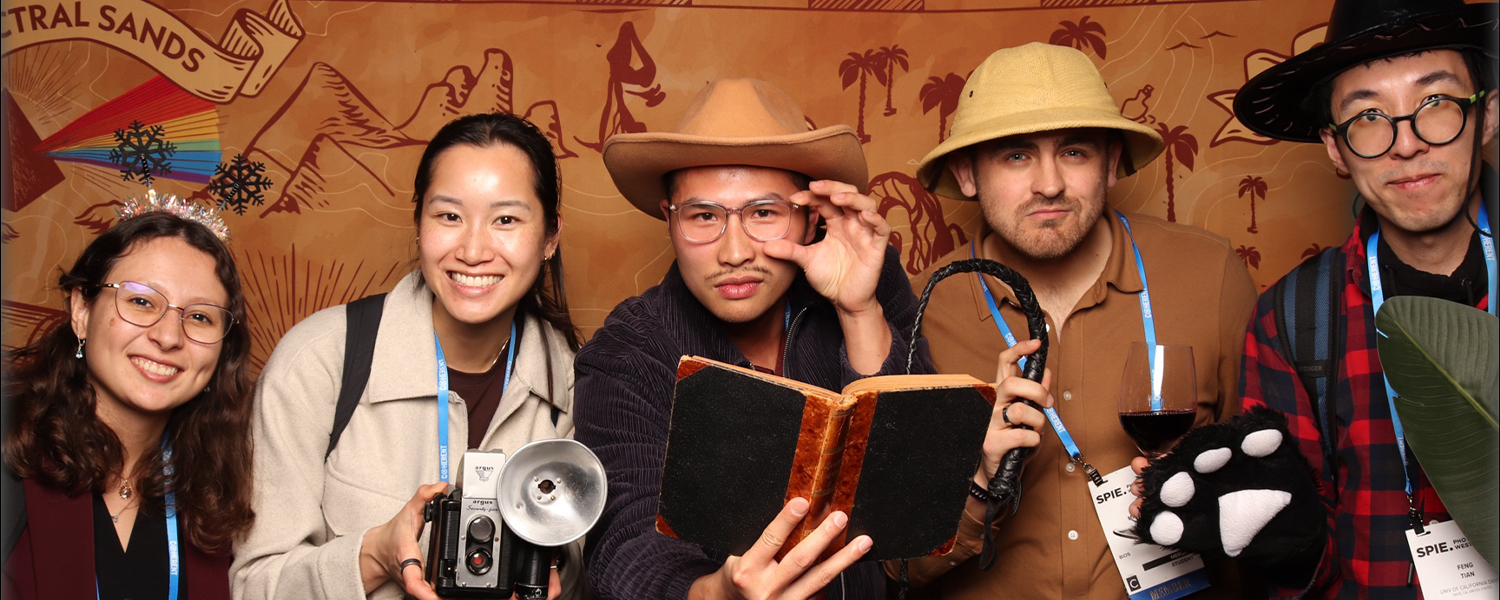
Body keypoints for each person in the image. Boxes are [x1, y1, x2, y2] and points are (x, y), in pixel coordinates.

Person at [1131, 1, 1498, 598]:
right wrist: (1287, 541)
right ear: (1335, 148)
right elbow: (1302, 578)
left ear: (1487, 117)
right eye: (1369, 116)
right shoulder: (1294, 317)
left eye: (1434, 104)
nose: (1405, 143)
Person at [898, 43, 1259, 600]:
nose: (1049, 184)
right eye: (1016, 156)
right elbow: (897, 565)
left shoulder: (1209, 276)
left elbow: (1265, 495)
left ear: (1111, 162)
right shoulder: (920, 310)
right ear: (966, 173)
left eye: (1073, 153)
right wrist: (978, 475)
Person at [573, 78, 927, 600]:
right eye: (703, 216)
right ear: (668, 220)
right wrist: (720, 593)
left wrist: (858, 310)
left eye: (763, 213)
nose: (734, 250)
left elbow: (918, 480)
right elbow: (621, 541)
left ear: (810, 217)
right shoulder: (628, 350)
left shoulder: (868, 282)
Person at [231, 113, 586, 600]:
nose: (474, 249)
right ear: (419, 222)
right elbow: (253, 587)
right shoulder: (320, 363)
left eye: (506, 219)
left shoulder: (576, 381)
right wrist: (374, 555)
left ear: (550, 236)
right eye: (449, 216)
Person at [2, 191, 256, 599]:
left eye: (200, 317)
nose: (168, 337)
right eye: (140, 301)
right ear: (81, 312)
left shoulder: (225, 485)